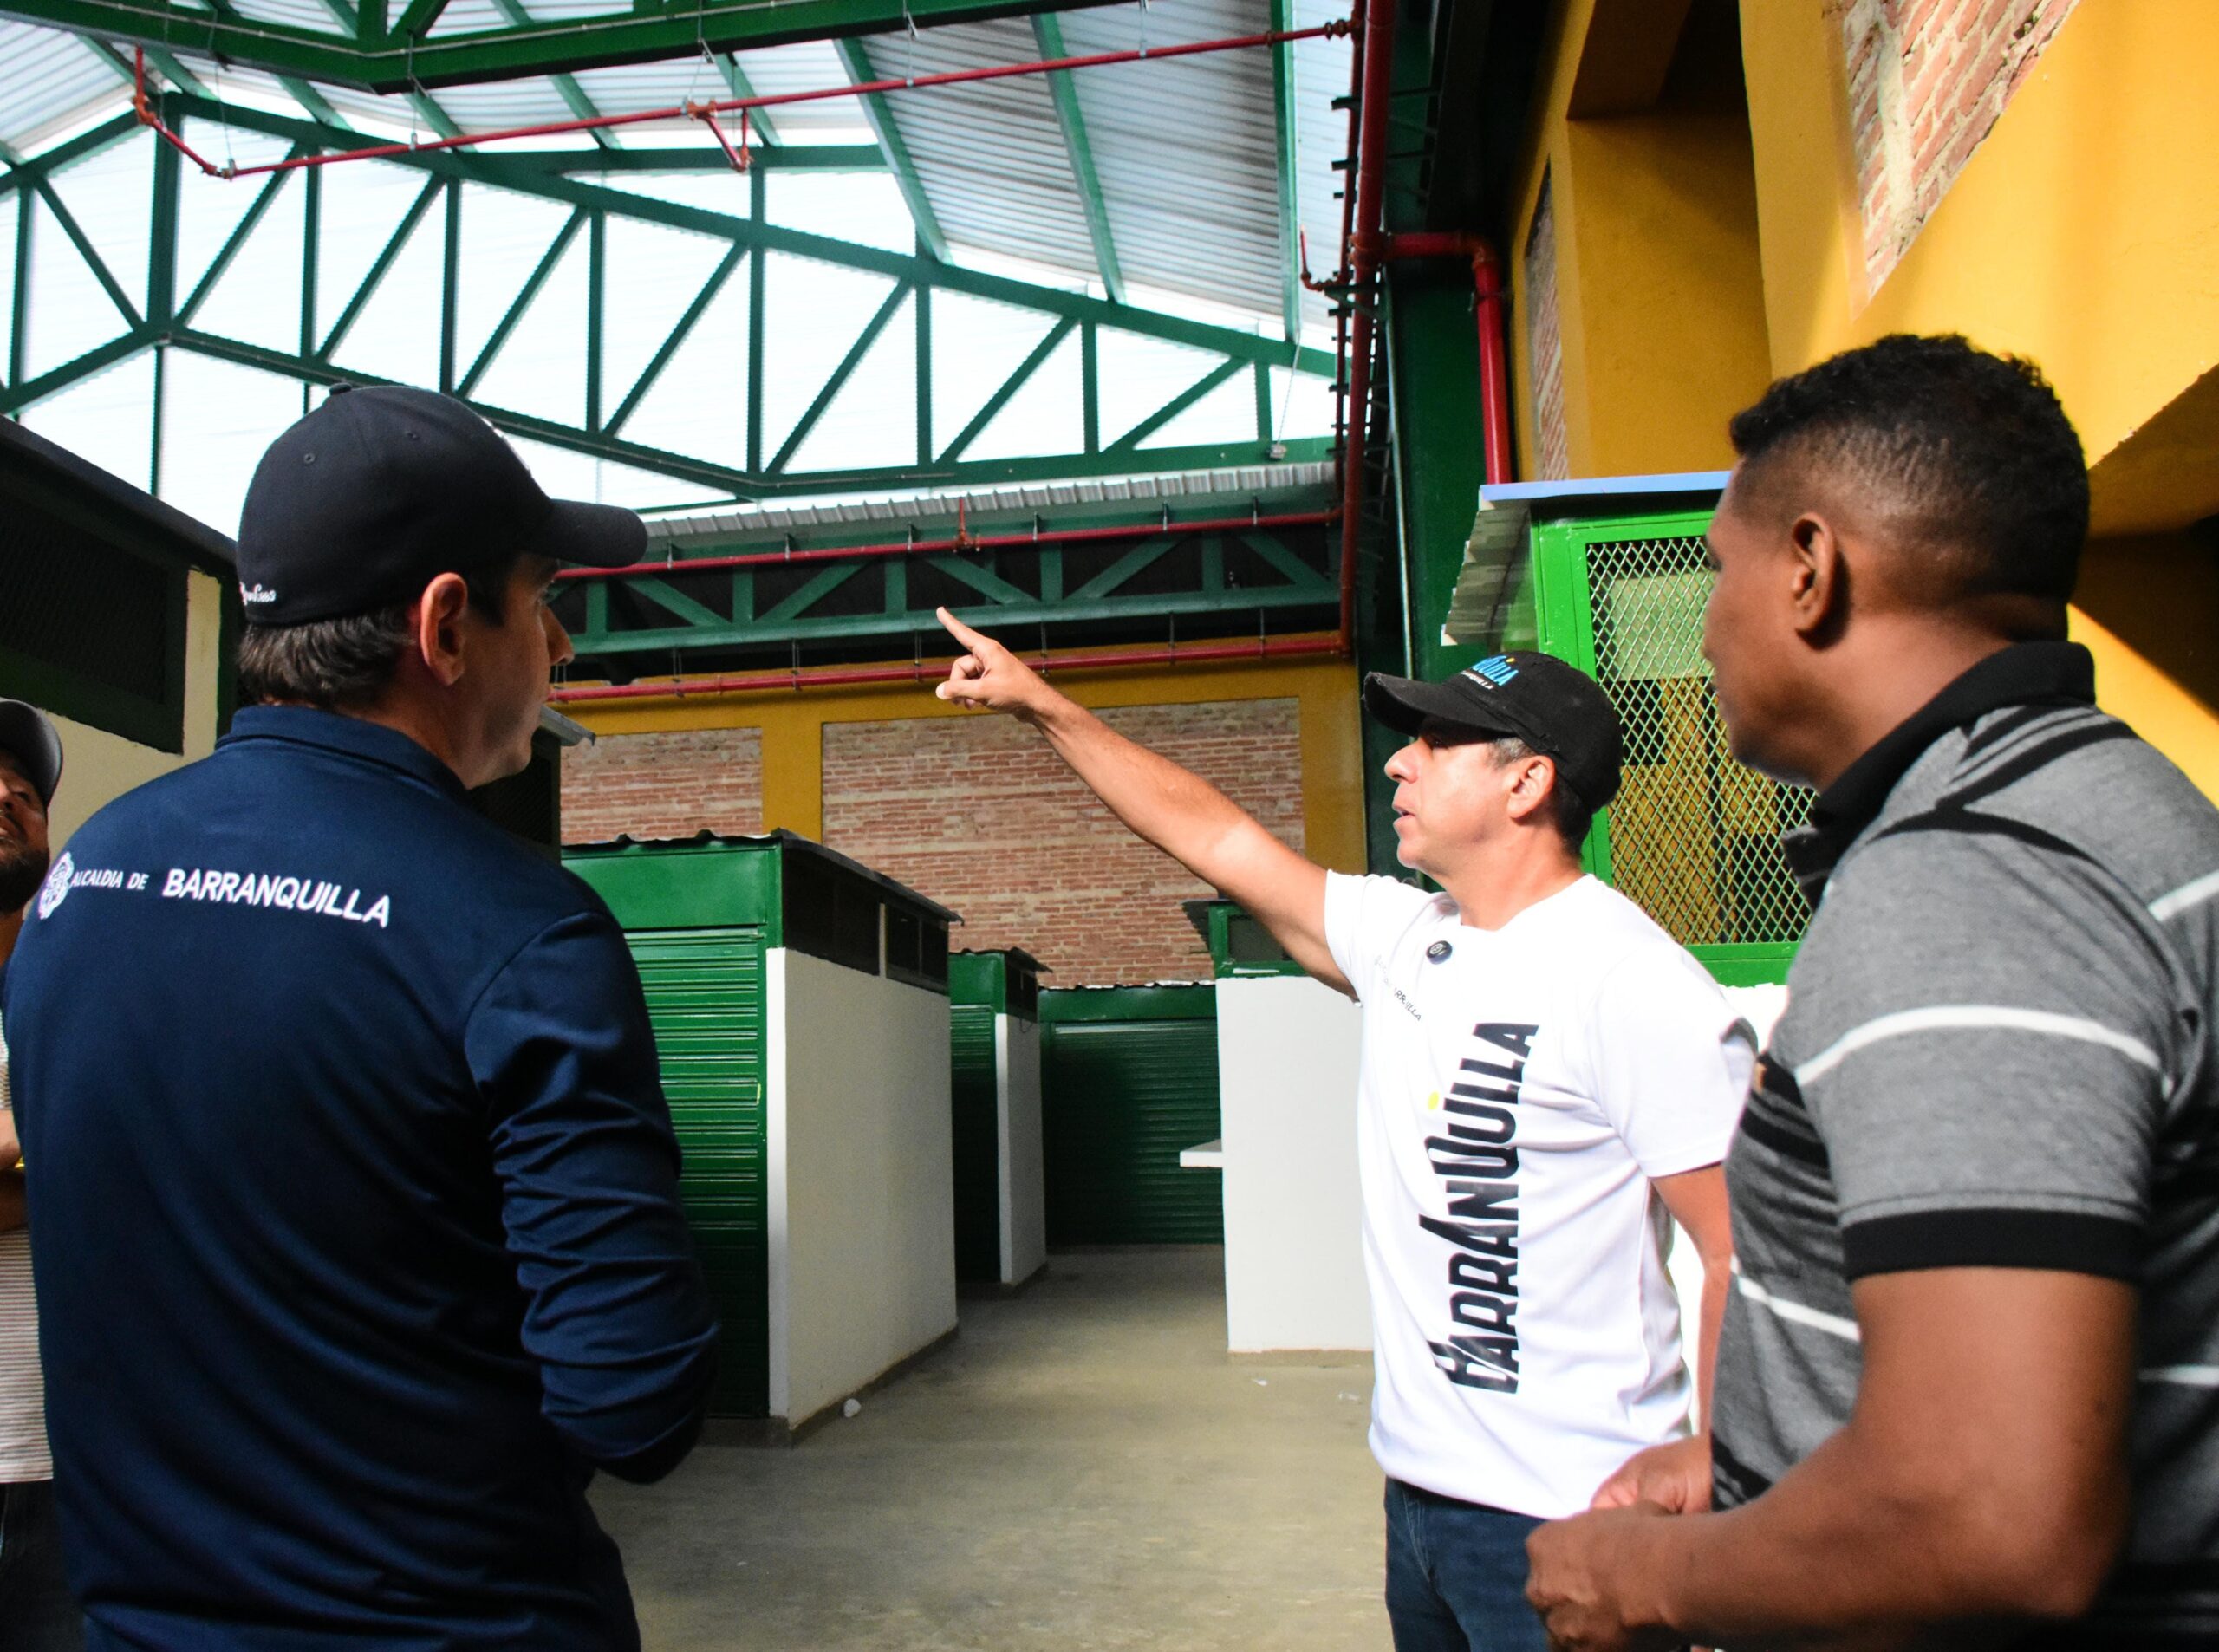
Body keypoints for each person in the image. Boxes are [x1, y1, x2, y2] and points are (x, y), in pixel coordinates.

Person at [1525, 333, 2219, 1650]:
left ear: (1809, 568)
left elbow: (1986, 1512)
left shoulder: (1971, 886)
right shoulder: (2092, 806)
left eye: (1716, 570)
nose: (1712, 618)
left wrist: (1640, 1577)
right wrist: (1748, 1481)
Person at [3, 387, 720, 1651]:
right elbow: (634, 1401)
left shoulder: (86, 879)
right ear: (446, 624)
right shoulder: (521, 933)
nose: (556, 647)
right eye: (542, 598)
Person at [933, 610, 1750, 1650]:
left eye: (1435, 743)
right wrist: (1045, 708)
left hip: (1577, 1509)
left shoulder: (1631, 983)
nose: (1400, 765)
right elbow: (1218, 838)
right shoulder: (1409, 939)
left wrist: (1719, 1455)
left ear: (1526, 782)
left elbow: (1742, 1247)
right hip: (1419, 1499)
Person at [0, 700, 80, 1652]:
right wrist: (51, 1139)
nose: (9, 799)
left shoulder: (87, 983)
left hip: (73, 1467)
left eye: (25, 792)